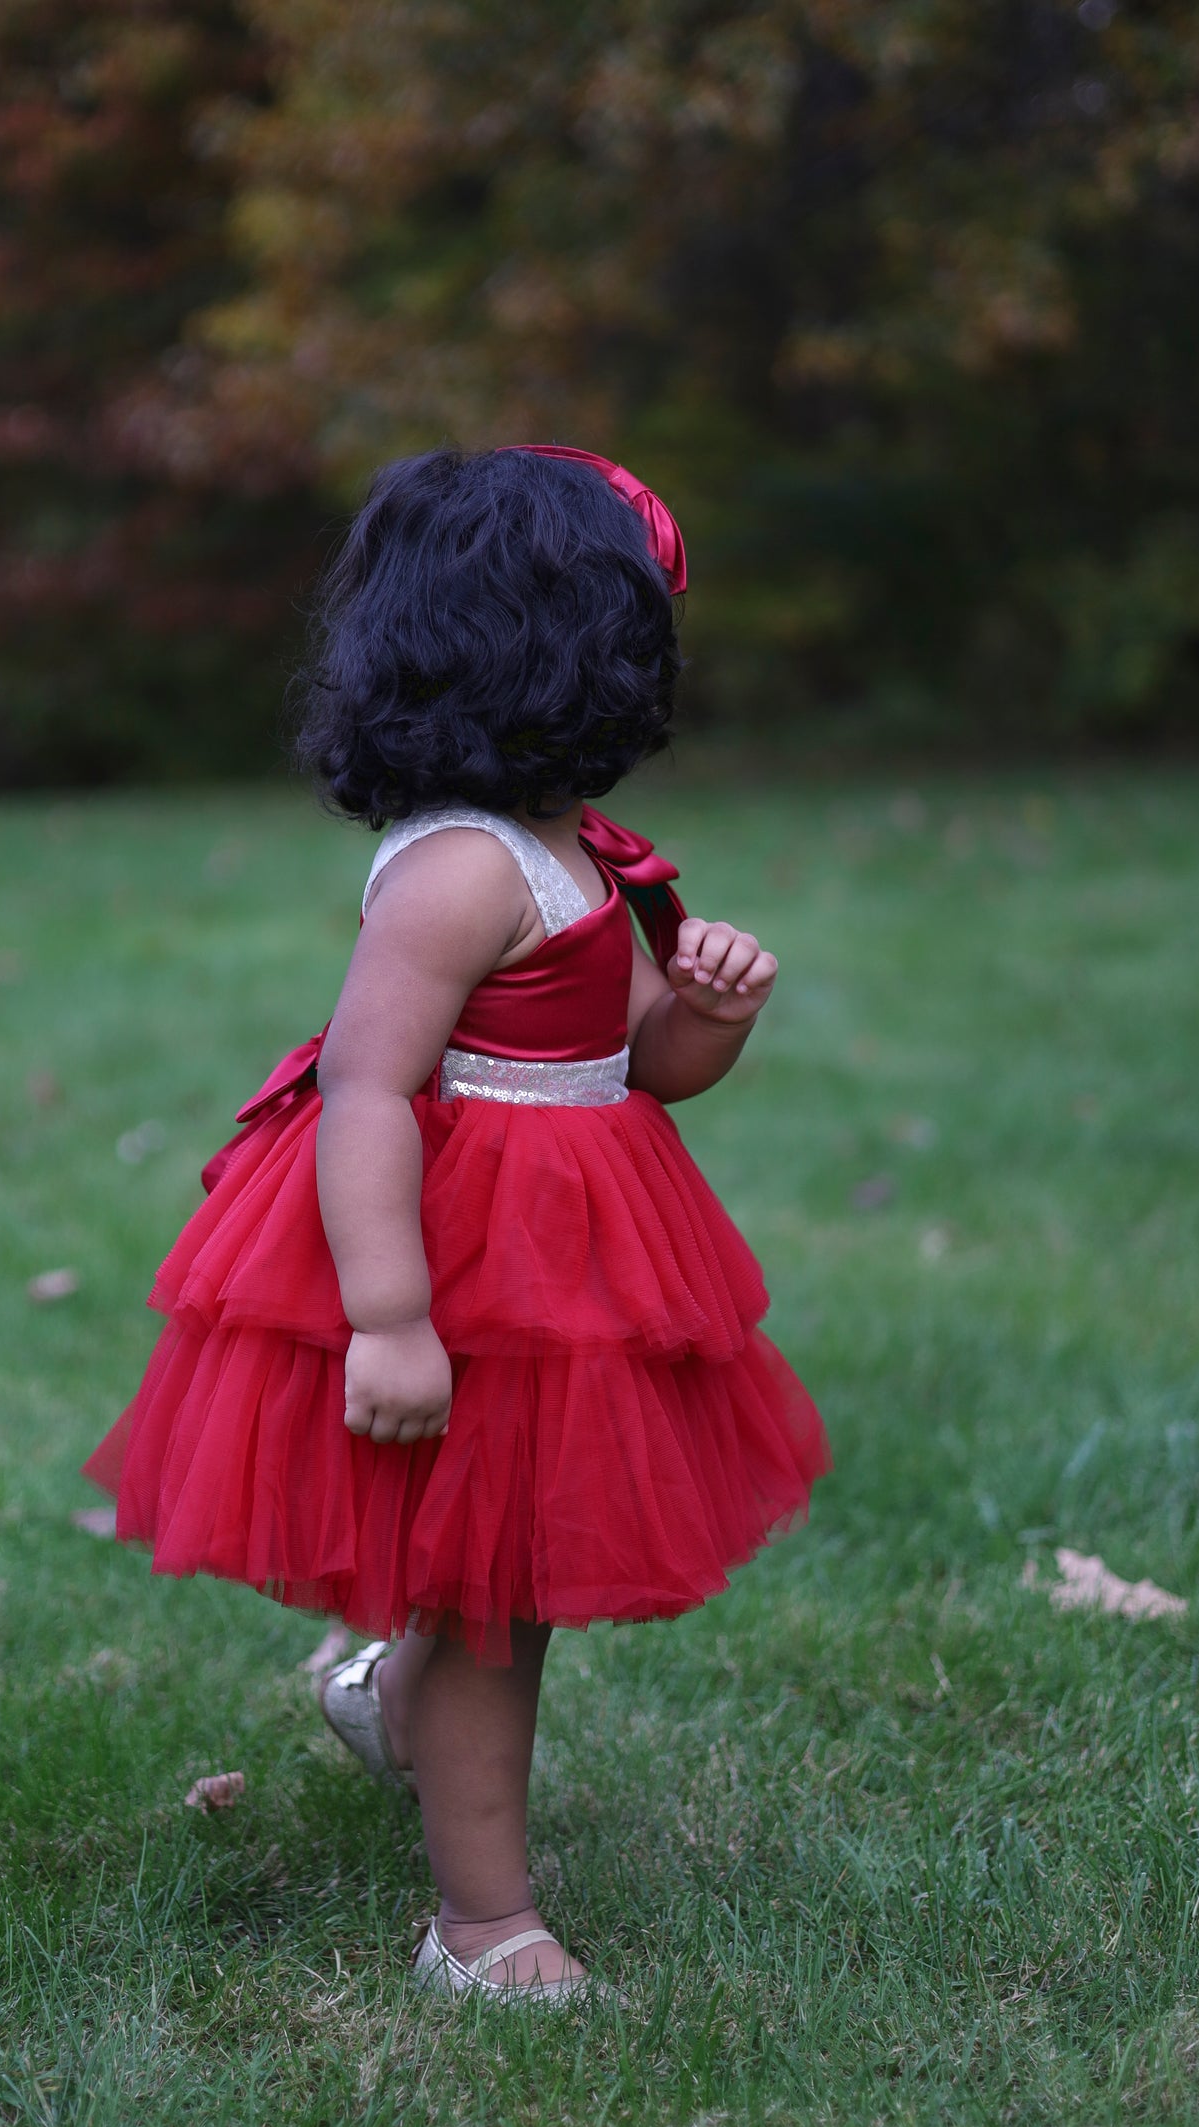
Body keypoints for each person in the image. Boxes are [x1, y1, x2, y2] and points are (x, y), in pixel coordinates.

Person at [83, 444, 829, 2006]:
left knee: (501, 1567)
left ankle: (386, 1697)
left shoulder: (571, 848)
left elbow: (642, 1063)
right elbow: (362, 1090)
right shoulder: (458, 872)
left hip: (564, 1256)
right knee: (497, 1600)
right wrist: (392, 1316)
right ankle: (479, 1928)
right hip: (460, 1258)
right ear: (575, 657)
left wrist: (711, 1009)